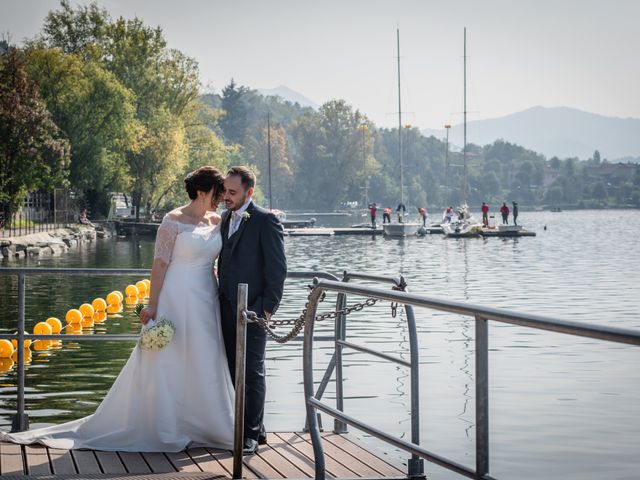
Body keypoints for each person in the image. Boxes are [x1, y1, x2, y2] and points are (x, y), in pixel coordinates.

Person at [1, 166, 235, 452]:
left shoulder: (218, 220)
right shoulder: (172, 221)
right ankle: (167, 424)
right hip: (176, 295)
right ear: (201, 192)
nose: (221, 198)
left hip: (205, 296)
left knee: (206, 355)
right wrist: (152, 305)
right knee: (168, 357)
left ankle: (208, 423)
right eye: (217, 192)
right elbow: (159, 264)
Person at [218, 166, 287, 456]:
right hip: (224, 309)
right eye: (224, 191)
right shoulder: (224, 218)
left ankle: (249, 435)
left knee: (253, 373)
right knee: (234, 369)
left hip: (254, 312)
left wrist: (265, 311)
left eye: (232, 192)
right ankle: (254, 430)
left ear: (249, 192)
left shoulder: (265, 220)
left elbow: (278, 272)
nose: (226, 197)